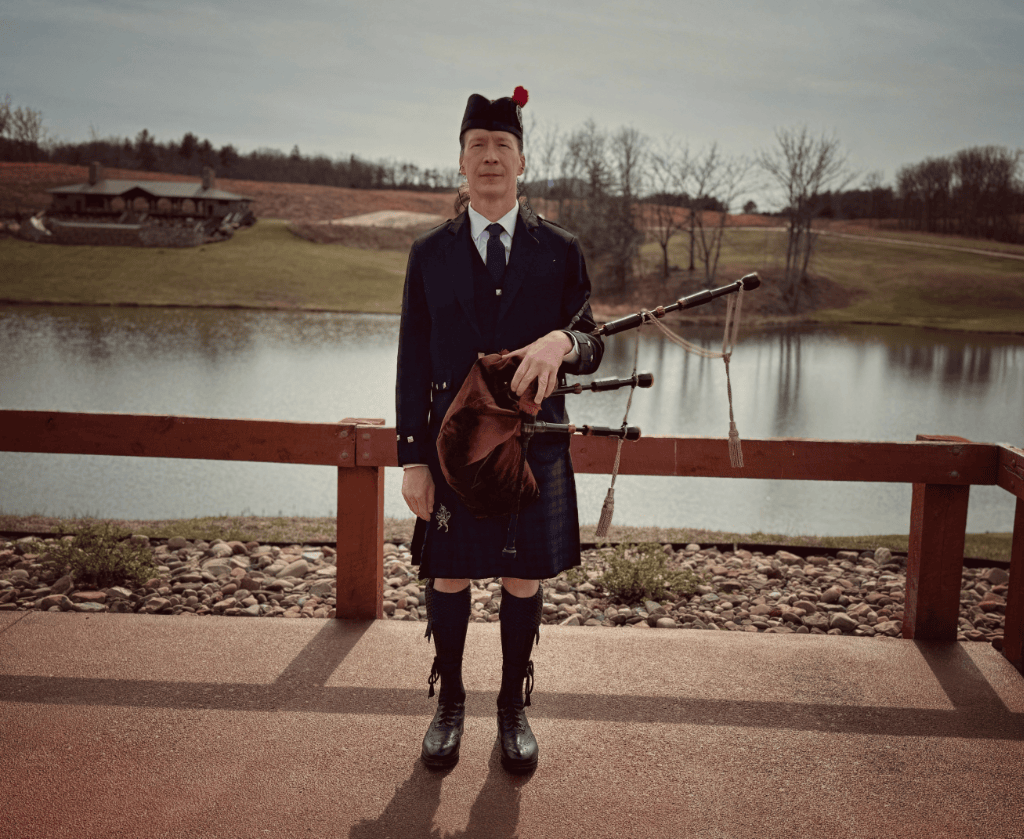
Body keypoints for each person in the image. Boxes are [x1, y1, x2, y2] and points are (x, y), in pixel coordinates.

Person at [395, 87, 603, 773]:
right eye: (477, 146)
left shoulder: (561, 250)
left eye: (502, 147)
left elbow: (594, 341)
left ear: (522, 162)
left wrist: (563, 345)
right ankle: (449, 700)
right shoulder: (429, 253)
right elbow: (412, 358)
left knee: (521, 577)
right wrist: (411, 458)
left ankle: (512, 706)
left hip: (533, 443)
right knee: (450, 577)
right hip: (451, 451)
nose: (490, 157)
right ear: (460, 163)